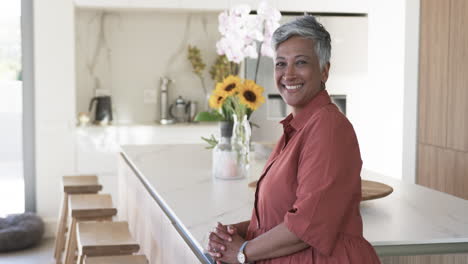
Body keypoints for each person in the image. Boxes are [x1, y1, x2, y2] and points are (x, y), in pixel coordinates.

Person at [207, 15, 381, 264]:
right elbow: (285, 214)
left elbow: (308, 224)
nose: (288, 74)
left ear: (324, 70)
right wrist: (238, 233)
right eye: (280, 64)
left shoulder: (328, 128)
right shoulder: (297, 129)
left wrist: (242, 252)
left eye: (300, 63)